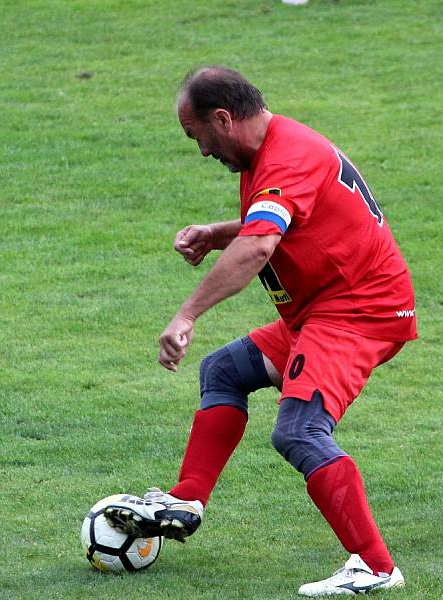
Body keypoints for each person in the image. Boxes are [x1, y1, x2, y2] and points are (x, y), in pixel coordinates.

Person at [104, 66, 415, 596]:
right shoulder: (272, 150)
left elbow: (259, 246)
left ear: (222, 119)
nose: (202, 151)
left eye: (196, 135)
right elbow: (276, 226)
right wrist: (219, 232)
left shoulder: (286, 156)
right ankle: (187, 499)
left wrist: (186, 314)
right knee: (224, 371)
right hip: (321, 311)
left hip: (356, 314)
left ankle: (377, 567)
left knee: (298, 431)